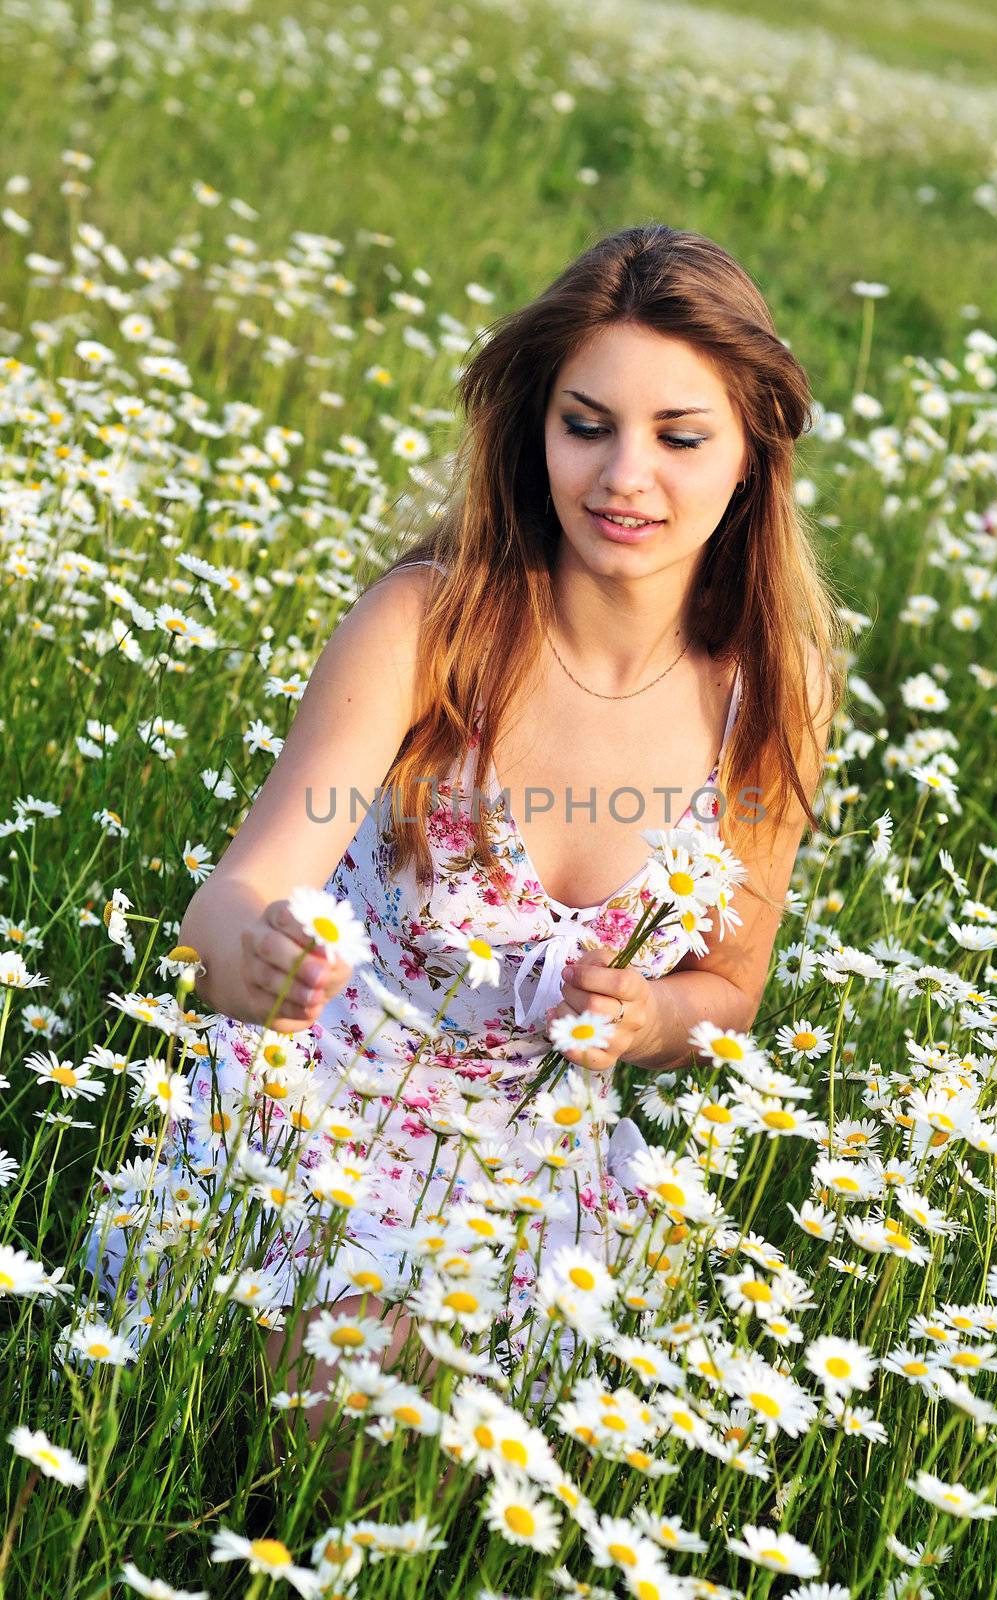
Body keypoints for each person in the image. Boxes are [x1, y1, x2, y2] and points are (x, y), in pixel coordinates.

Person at [90, 223, 843, 1415]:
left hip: (530, 1162)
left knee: (518, 1439)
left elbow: (729, 992)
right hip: (320, 1128)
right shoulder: (429, 626)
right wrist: (256, 959)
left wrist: (645, 1018)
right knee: (358, 1389)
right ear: (534, 426)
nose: (622, 477)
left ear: (751, 452)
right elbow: (228, 900)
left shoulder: (773, 690)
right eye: (583, 425)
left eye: (679, 437)